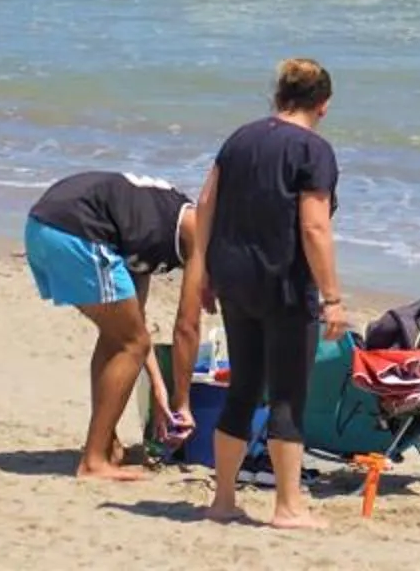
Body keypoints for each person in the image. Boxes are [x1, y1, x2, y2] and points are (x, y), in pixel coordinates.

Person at [173, 58, 344, 530]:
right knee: (288, 395)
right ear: (324, 105)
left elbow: (205, 204)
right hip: (284, 284)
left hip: (234, 278)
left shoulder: (240, 138)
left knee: (243, 390)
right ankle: (288, 506)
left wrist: (204, 270)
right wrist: (332, 297)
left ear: (280, 95)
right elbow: (314, 227)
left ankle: (223, 500)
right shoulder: (313, 150)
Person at [23, 168, 200, 480]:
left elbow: (136, 322)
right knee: (129, 343)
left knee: (119, 337)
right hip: (75, 229)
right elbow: (187, 327)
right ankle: (94, 461)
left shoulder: (154, 224)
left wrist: (159, 389)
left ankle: (106, 445)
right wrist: (181, 403)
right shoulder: (202, 237)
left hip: (42, 226)